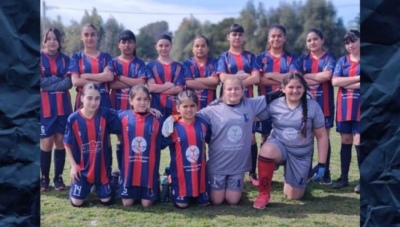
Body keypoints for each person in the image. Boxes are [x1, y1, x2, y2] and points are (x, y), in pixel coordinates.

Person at [163, 77, 281, 205]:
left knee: (232, 201)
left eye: (237, 89)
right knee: (216, 201)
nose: (233, 92)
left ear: (243, 91)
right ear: (223, 91)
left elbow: (269, 97)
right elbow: (191, 114)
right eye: (229, 89)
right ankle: (173, 176)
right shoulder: (213, 109)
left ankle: (237, 188)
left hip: (238, 166)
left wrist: (284, 91)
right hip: (218, 165)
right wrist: (174, 117)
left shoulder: (250, 104)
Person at [253, 73, 328, 210]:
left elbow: (322, 135)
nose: (295, 90)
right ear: (282, 88)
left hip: (300, 154)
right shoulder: (275, 104)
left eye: (299, 87)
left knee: (293, 196)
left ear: (304, 88)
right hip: (279, 148)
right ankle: (263, 194)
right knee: (267, 150)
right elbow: (253, 115)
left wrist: (322, 164)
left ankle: (292, 178)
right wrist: (266, 97)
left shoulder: (313, 106)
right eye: (291, 87)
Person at [216, 23, 261, 186]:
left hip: (247, 103)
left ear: (243, 37)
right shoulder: (223, 57)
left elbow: (256, 78)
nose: (237, 37)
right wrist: (243, 77)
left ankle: (252, 172)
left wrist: (234, 80)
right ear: (228, 37)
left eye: (240, 34)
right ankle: (229, 170)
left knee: (250, 138)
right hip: (228, 103)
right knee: (229, 136)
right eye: (233, 34)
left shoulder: (250, 56)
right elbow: (222, 78)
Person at [290, 28, 335, 185]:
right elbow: (296, 79)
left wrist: (307, 77)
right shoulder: (302, 59)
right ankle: (306, 172)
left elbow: (328, 75)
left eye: (315, 39)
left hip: (325, 104)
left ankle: (325, 172)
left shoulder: (329, 56)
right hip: (306, 105)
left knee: (324, 138)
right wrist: (317, 78)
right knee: (306, 137)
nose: (312, 42)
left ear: (322, 40)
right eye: (309, 40)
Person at [64, 83, 121, 207]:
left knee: (107, 201)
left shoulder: (106, 114)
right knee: (77, 203)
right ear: (82, 98)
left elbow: (127, 113)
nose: (93, 102)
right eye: (90, 98)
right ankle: (79, 187)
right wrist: (73, 166)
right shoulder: (73, 119)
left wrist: (147, 108)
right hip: (82, 171)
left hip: (102, 170)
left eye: (97, 98)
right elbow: (67, 144)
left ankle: (114, 178)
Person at [118, 85, 165, 207]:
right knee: (127, 203)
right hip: (129, 172)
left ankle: (155, 185)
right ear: (131, 101)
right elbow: (104, 113)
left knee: (146, 204)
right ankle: (116, 179)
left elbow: (174, 121)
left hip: (148, 172)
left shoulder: (157, 118)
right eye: (138, 99)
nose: (142, 102)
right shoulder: (123, 117)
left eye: (145, 99)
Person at [108, 30, 147, 176]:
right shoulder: (112, 62)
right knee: (119, 138)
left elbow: (141, 83)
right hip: (116, 107)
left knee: (132, 138)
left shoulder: (140, 63)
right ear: (118, 44)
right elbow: (111, 84)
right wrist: (132, 82)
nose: (127, 45)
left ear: (134, 44)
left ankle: (132, 169)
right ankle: (120, 169)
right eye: (123, 42)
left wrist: (121, 78)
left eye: (130, 42)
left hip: (134, 109)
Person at [163, 90, 211, 208]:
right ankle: (169, 177)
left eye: (192, 106)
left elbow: (210, 140)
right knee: (182, 205)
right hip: (181, 177)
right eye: (185, 106)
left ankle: (200, 190)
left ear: (197, 107)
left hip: (199, 174)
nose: (189, 109)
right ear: (178, 108)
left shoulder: (203, 124)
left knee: (203, 204)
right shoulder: (172, 126)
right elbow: (159, 145)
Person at [40, 27, 73, 191]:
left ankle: (58, 178)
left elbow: (68, 83)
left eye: (55, 39)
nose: (52, 41)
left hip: (63, 107)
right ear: (44, 40)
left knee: (60, 141)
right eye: (49, 38)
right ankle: (44, 178)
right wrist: (56, 80)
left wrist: (48, 82)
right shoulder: (38, 58)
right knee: (46, 142)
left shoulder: (66, 59)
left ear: (60, 42)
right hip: (45, 108)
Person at [255, 24, 296, 144]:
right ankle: (265, 163)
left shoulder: (291, 58)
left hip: (287, 104)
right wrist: (284, 78)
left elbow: (294, 78)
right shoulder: (260, 58)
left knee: (287, 137)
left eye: (279, 36)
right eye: (273, 36)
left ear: (285, 38)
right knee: (265, 137)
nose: (276, 39)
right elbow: (259, 80)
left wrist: (270, 75)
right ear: (268, 38)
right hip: (265, 104)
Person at [331, 30, 360, 193]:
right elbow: (335, 81)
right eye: (347, 43)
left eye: (353, 41)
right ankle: (344, 177)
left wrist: (346, 83)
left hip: (362, 108)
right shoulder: (342, 61)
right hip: (344, 108)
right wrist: (357, 79)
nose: (350, 45)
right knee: (346, 141)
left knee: (360, 141)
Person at [68, 23, 114, 110]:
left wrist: (86, 76)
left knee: (104, 123)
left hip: (103, 99)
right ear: (81, 37)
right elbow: (76, 82)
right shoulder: (76, 57)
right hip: (83, 100)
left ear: (97, 37)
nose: (89, 38)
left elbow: (109, 77)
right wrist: (101, 78)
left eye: (93, 34)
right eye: (86, 35)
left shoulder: (106, 57)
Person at [146, 33, 185, 118]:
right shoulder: (150, 66)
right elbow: (151, 88)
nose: (163, 48)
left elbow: (179, 89)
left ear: (171, 46)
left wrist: (158, 89)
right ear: (156, 47)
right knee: (157, 130)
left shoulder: (179, 67)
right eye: (161, 45)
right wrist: (166, 85)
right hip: (156, 108)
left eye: (166, 45)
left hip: (175, 109)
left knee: (174, 130)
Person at [183, 35, 219, 109]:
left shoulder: (214, 62)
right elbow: (188, 83)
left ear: (208, 48)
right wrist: (210, 86)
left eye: (203, 46)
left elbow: (215, 80)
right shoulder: (187, 64)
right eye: (197, 46)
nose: (200, 48)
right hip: (192, 108)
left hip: (212, 107)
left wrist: (196, 79)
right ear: (192, 49)